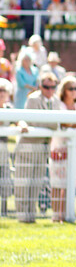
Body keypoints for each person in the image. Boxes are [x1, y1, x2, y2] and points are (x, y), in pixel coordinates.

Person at [15, 73, 59, 223]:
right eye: (46, 87)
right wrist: (49, 124)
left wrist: (48, 124)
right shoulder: (33, 99)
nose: (49, 90)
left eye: (52, 87)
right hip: (28, 146)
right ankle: (22, 216)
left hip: (43, 148)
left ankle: (31, 216)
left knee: (36, 183)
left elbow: (55, 124)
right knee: (23, 183)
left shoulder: (56, 101)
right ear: (41, 86)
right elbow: (35, 122)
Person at [49, 75, 76, 222]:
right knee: (57, 183)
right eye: (71, 89)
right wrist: (75, 125)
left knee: (71, 182)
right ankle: (56, 215)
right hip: (60, 147)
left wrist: (75, 125)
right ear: (64, 90)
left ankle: (67, 213)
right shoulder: (59, 105)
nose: (74, 91)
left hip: (74, 148)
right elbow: (63, 124)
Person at [0, 78, 14, 215]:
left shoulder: (10, 108)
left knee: (4, 180)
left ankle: (3, 211)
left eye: (4, 91)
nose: (1, 93)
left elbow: (18, 120)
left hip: (3, 150)